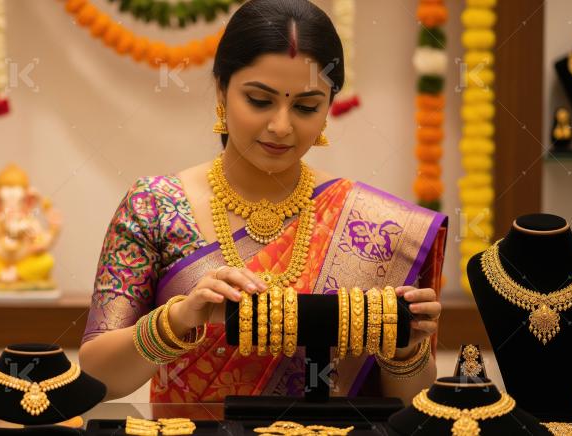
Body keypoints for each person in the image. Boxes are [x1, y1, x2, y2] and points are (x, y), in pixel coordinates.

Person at [79, 0, 447, 406]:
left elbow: (416, 406)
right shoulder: (155, 206)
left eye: (306, 107)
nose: (281, 126)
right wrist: (181, 318)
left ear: (328, 107)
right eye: (259, 100)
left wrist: (405, 348)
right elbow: (98, 377)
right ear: (221, 89)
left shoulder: (378, 227)